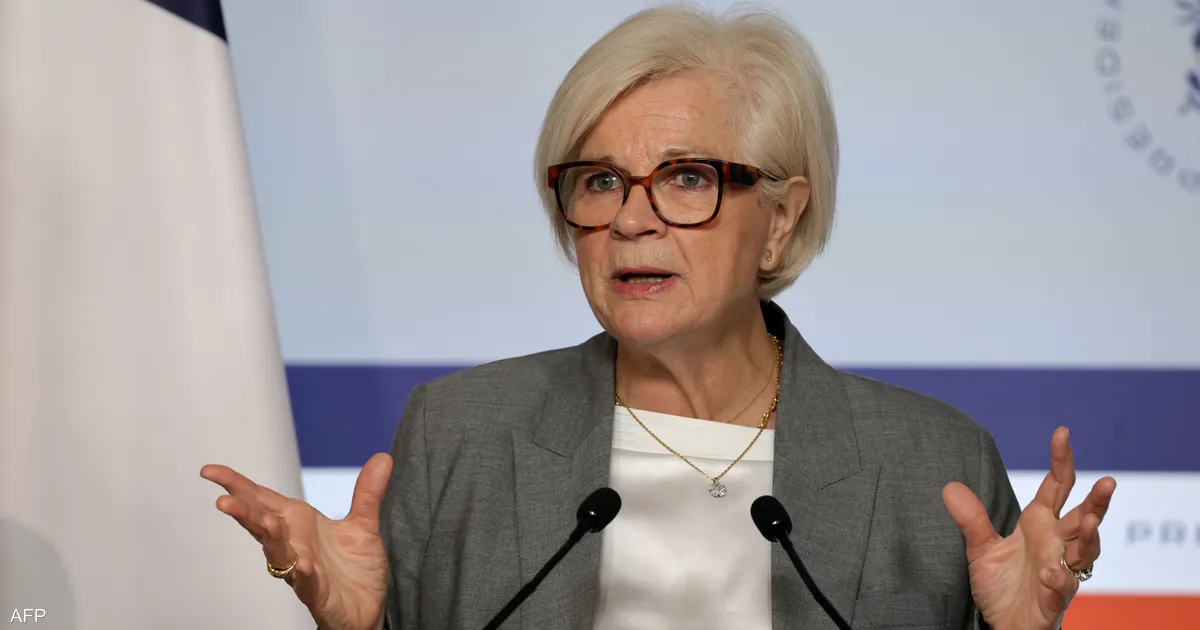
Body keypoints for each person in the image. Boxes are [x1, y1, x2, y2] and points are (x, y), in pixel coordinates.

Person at [201, 4, 1116, 629]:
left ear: (782, 216)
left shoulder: (934, 464)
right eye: (600, 180)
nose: (631, 219)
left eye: (685, 177)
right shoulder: (460, 435)